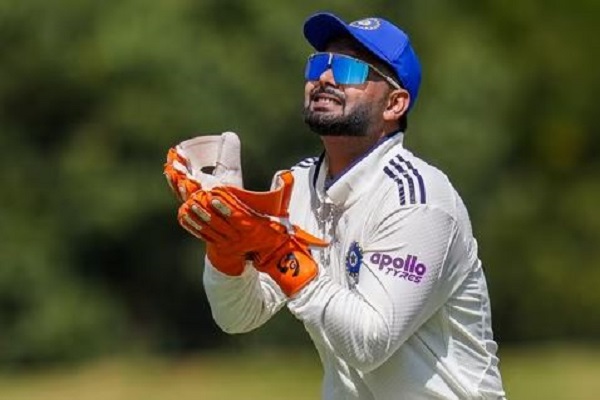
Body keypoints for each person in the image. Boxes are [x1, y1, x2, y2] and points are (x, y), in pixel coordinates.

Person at [165, 11, 506, 400]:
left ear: (394, 104)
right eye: (318, 64)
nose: (325, 78)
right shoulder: (296, 185)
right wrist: (226, 248)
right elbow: (239, 316)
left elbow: (369, 343)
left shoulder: (418, 198)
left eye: (349, 69)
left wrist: (278, 252)